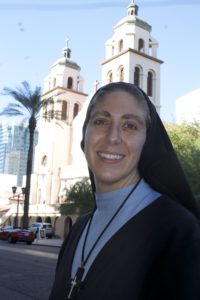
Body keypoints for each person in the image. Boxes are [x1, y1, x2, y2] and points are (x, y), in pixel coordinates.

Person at [49, 82, 200, 300]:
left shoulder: (179, 232)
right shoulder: (79, 228)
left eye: (130, 125)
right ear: (85, 137)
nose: (113, 137)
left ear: (147, 141)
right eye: (101, 121)